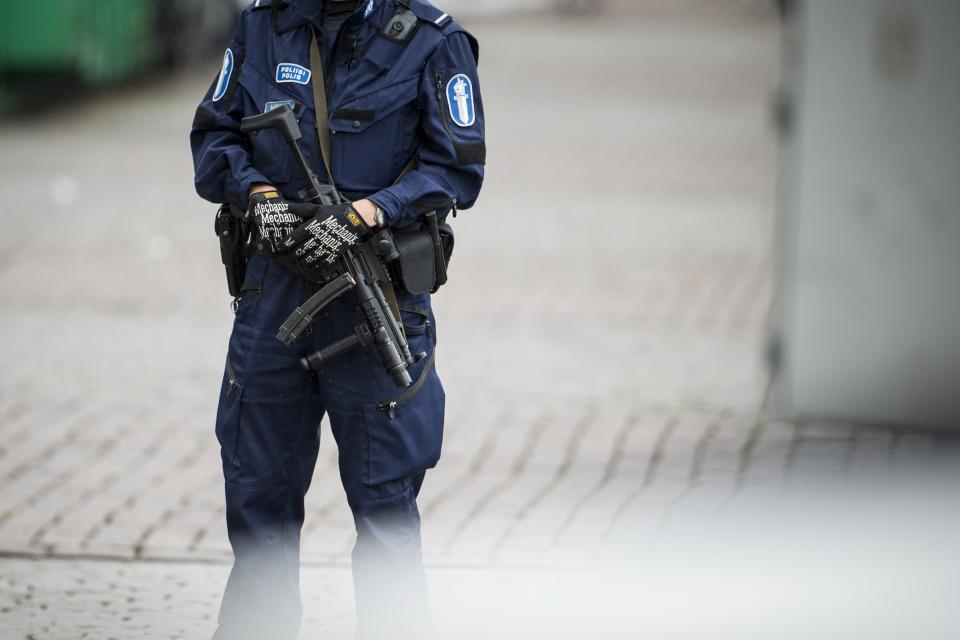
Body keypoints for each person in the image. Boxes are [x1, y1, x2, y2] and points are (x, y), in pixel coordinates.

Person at [189, 0, 485, 638]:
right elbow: (214, 134)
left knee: (385, 513)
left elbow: (457, 167)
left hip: (376, 296)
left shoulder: (434, 41)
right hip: (275, 291)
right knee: (258, 500)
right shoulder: (263, 26)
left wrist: (368, 213)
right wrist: (259, 197)